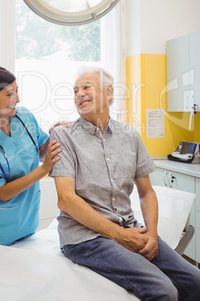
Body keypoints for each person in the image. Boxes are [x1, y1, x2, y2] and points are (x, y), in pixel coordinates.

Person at [49, 66, 200, 301]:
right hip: (85, 238)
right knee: (164, 290)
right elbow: (65, 199)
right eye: (75, 90)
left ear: (109, 92)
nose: (79, 94)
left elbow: (146, 192)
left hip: (130, 227)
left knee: (195, 281)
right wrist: (120, 235)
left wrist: (151, 234)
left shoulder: (130, 136)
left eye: (86, 87)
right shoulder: (63, 136)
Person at [0, 66, 63, 260]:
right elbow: (3, 193)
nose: (17, 99)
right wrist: (44, 170)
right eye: (10, 94)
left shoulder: (24, 116)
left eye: (17, 91)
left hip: (27, 224)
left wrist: (54, 136)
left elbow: (42, 151)